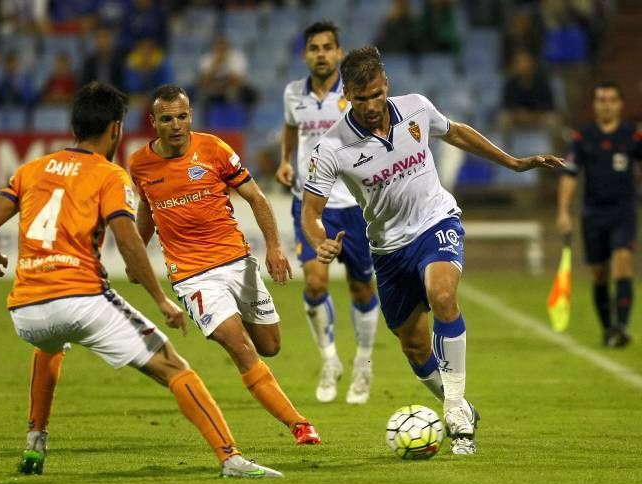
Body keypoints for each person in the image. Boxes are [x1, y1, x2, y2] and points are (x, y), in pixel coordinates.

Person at [0, 82, 282, 479]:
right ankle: (231, 458)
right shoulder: (109, 174)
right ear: (116, 129)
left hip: (26, 309)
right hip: (81, 299)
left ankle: (35, 441)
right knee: (176, 368)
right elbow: (129, 239)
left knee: (49, 347)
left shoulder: (31, 170)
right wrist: (161, 298)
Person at [301, 46, 564, 455]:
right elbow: (310, 211)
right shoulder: (331, 148)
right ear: (346, 96)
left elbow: (455, 132)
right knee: (414, 345)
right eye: (359, 97)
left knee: (443, 296)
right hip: (388, 250)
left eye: (375, 94)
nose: (370, 105)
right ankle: (456, 402)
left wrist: (511, 163)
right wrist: (319, 240)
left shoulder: (415, 109)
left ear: (385, 84)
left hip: (436, 222)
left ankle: (457, 415)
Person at [129, 84, 321, 445]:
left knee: (269, 345)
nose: (175, 125)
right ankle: (299, 424)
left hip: (236, 261)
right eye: (166, 118)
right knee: (241, 347)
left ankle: (262, 374)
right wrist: (138, 251)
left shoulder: (214, 149)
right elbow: (147, 208)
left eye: (182, 116)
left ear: (191, 116)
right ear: (153, 122)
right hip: (192, 275)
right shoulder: (140, 163)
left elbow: (256, 198)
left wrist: (275, 248)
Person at [277, 21, 380, 405]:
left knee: (361, 287)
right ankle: (330, 360)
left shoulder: (357, 93)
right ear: (305, 55)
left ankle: (364, 366)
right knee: (315, 284)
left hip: (356, 205)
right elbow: (292, 129)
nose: (321, 53)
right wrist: (286, 160)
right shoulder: (293, 94)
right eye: (314, 48)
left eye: (327, 47)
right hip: (312, 203)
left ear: (339, 53)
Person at [557, 82, 642, 348]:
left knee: (623, 261)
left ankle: (622, 326)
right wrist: (563, 212)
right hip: (593, 214)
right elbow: (570, 175)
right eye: (601, 99)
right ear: (595, 105)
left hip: (624, 211)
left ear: (620, 104)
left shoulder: (633, 136)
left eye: (611, 100)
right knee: (599, 274)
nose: (606, 104)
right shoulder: (583, 137)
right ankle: (608, 328)